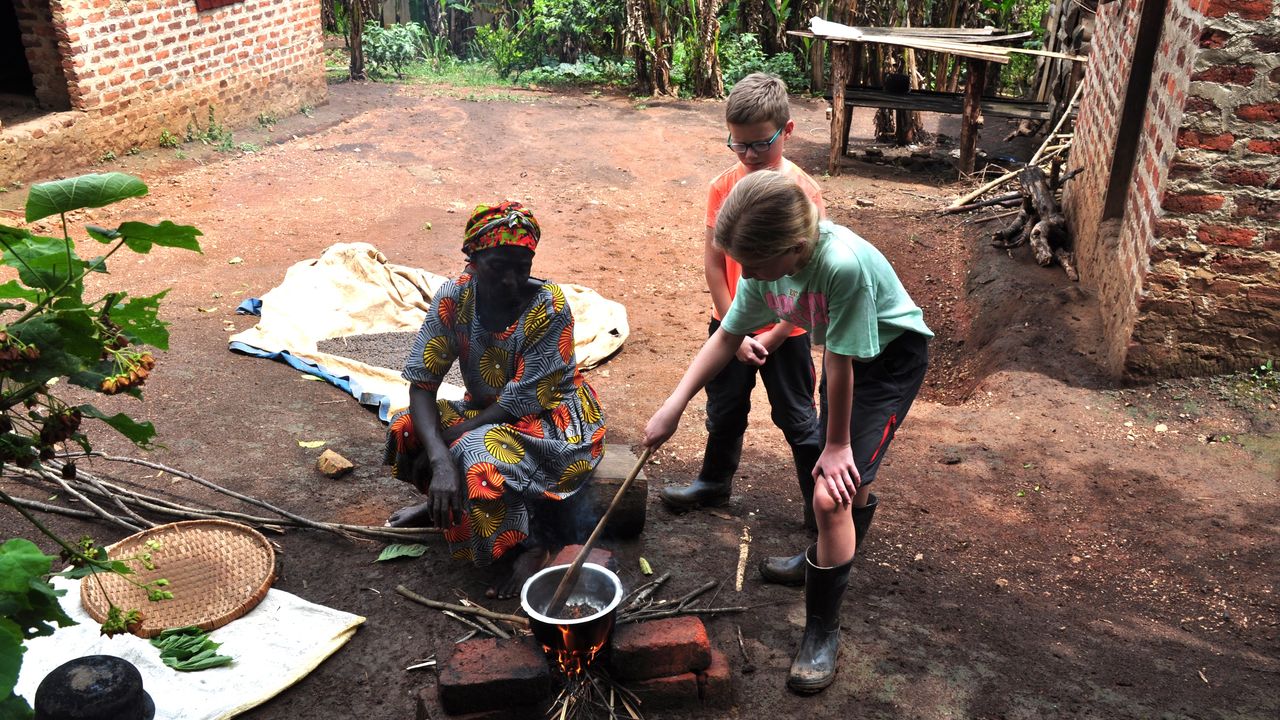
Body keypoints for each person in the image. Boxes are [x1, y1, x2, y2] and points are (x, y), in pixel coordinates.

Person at [643, 171, 931, 694]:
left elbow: (839, 363)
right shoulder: (771, 262)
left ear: (794, 249)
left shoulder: (841, 264)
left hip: (888, 364)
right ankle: (824, 555)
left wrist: (838, 445)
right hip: (849, 360)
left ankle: (822, 631)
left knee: (830, 495)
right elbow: (730, 334)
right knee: (847, 487)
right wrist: (674, 405)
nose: (745, 275)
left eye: (752, 265)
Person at [384, 201, 607, 600]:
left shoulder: (549, 305)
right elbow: (421, 386)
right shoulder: (454, 297)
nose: (511, 280)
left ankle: (530, 545)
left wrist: (449, 448)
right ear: (471, 259)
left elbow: (517, 404)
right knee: (406, 426)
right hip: (484, 410)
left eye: (522, 266)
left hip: (552, 421)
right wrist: (438, 459)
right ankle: (444, 511)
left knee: (472, 451)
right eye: (498, 266)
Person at [658, 72, 824, 534]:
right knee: (725, 407)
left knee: (797, 418)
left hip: (785, 332)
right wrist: (737, 328)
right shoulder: (722, 186)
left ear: (787, 132)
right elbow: (715, 264)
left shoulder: (804, 195)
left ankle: (819, 512)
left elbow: (807, 285)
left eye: (759, 145)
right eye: (738, 145)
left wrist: (766, 337)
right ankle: (714, 482)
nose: (748, 156)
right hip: (730, 321)